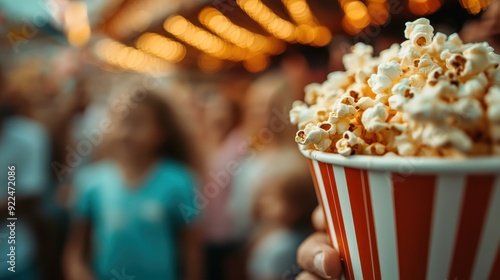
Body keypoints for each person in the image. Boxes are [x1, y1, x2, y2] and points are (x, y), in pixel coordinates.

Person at [64, 91, 203, 280]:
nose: (126, 132)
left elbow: (191, 252)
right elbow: (76, 253)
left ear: (161, 131)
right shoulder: (92, 181)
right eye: (121, 121)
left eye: (138, 123)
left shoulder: (178, 181)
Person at [248, 167, 317, 280]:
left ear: (296, 208)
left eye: (274, 197)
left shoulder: (282, 249)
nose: (263, 202)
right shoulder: (299, 236)